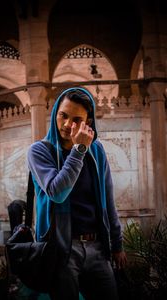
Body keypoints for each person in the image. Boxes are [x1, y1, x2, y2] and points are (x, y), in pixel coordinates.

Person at [27, 87, 127, 300]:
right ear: (55, 112)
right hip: (61, 250)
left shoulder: (97, 150)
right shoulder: (39, 151)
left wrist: (116, 244)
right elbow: (57, 192)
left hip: (97, 248)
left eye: (76, 119)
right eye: (63, 115)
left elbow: (107, 201)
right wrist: (79, 150)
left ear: (87, 123)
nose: (66, 124)